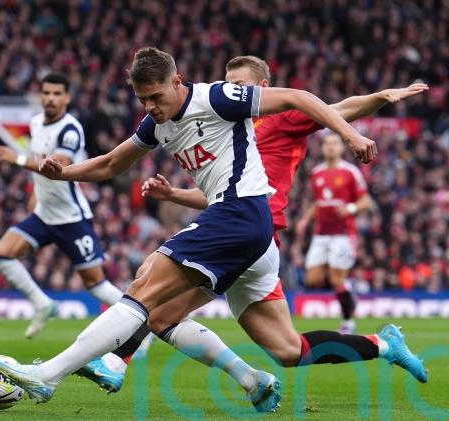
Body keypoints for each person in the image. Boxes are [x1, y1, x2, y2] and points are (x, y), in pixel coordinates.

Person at [0, 47, 390, 412]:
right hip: (243, 228)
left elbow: (298, 98)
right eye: (142, 100)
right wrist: (62, 173)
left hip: (240, 214)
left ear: (177, 82)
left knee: (144, 287)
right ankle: (254, 380)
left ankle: (51, 375)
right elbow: (111, 164)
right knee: (166, 314)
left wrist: (352, 136)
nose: (151, 107)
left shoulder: (216, 98)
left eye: (156, 96)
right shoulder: (156, 123)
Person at [73, 56, 428, 399]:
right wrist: (174, 194)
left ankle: (116, 361)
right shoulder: (225, 123)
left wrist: (381, 98)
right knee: (289, 351)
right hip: (238, 229)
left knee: (156, 295)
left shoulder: (281, 118)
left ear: (263, 86)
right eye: (228, 84)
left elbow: (339, 107)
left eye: (240, 85)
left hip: (250, 230)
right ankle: (383, 345)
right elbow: (218, 194)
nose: (232, 90)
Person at [0, 72, 125, 338]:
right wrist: (35, 193)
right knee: (1, 254)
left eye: (56, 94)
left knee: (96, 284)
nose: (50, 98)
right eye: (46, 93)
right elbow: (38, 160)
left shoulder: (70, 129)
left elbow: (58, 168)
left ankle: (139, 321)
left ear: (67, 98)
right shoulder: (35, 123)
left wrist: (17, 160)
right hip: (44, 214)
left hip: (71, 218)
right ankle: (43, 304)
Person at [296, 133, 373, 334]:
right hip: (321, 234)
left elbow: (365, 201)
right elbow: (318, 201)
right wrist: (305, 220)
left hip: (343, 234)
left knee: (336, 279)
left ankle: (348, 322)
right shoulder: (317, 173)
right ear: (322, 149)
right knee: (312, 279)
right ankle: (349, 290)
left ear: (341, 148)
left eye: (334, 144)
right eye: (327, 144)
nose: (330, 147)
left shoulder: (350, 172)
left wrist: (350, 208)